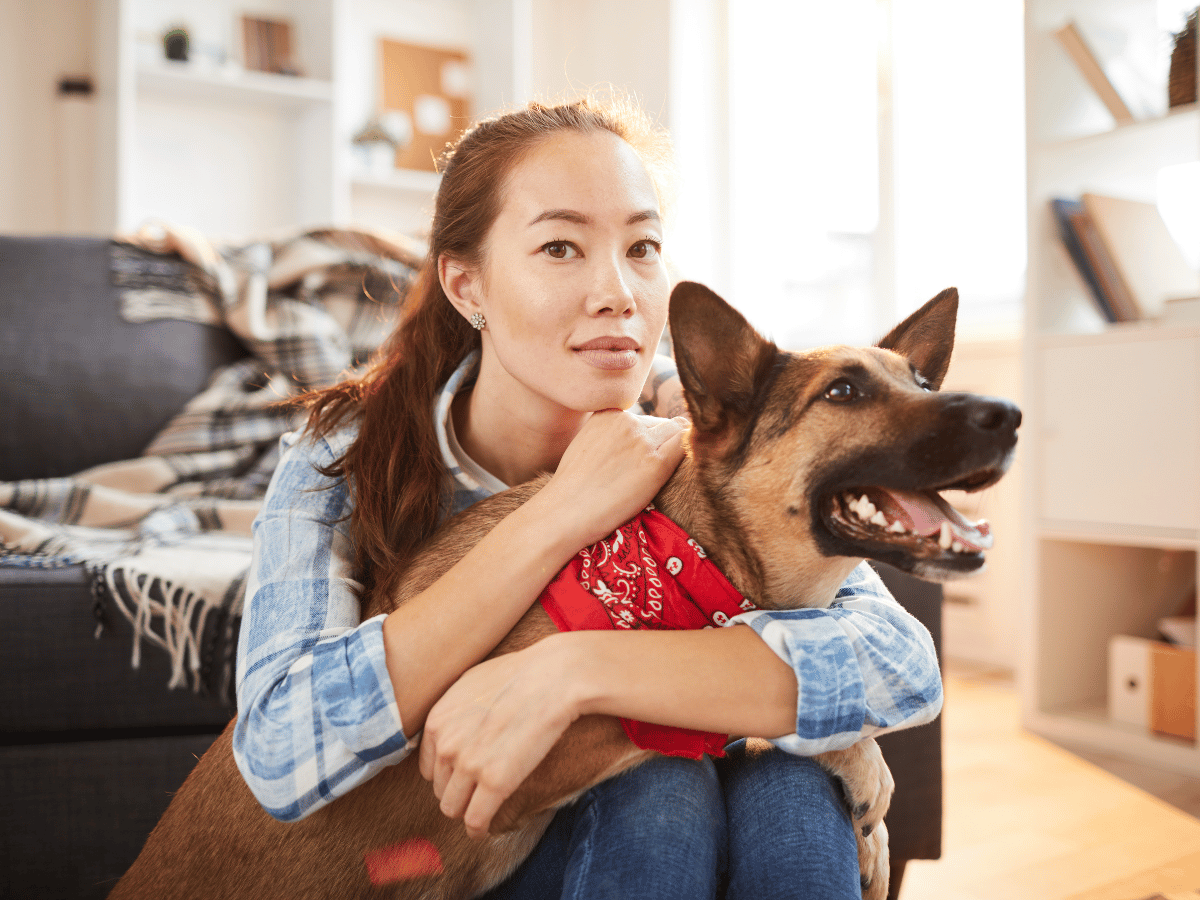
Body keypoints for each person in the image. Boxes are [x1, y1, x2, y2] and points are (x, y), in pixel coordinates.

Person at [232, 96, 943, 900]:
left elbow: (900, 664)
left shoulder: (701, 425)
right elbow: (280, 750)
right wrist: (564, 508)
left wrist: (575, 670)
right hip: (426, 860)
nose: (618, 292)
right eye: (561, 247)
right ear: (468, 286)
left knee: (794, 785)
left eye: (642, 247)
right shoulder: (344, 454)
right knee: (666, 787)